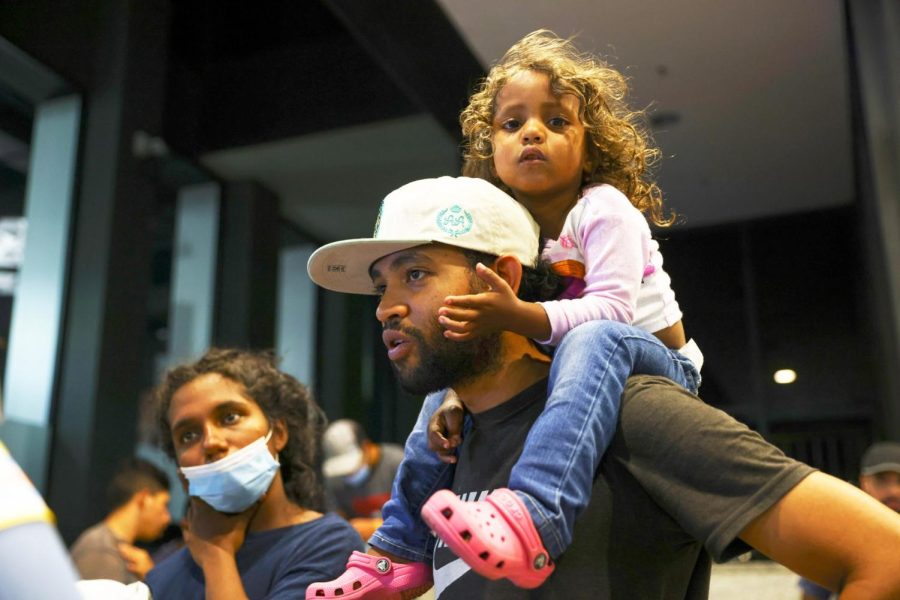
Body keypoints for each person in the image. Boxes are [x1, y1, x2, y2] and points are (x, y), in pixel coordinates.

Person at [306, 175, 900, 598]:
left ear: (505, 277)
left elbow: (884, 556)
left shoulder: (633, 410)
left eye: (415, 274)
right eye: (381, 285)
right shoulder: (445, 440)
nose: (385, 308)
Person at [311, 28, 704, 595]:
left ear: (593, 144)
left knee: (593, 339)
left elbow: (613, 314)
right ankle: (397, 550)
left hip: (651, 363)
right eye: (512, 123)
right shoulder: (516, 233)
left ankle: (536, 515)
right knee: (447, 378)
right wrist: (452, 397)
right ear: (490, 147)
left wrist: (515, 314)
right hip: (575, 359)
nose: (533, 134)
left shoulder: (605, 211)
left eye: (557, 121)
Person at [145, 348, 364, 599]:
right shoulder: (163, 578)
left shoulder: (329, 545)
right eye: (188, 435)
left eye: (230, 417)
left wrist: (217, 554)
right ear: (181, 471)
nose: (211, 442)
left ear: (279, 433)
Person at [798, 441, 900, 600]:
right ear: (864, 481)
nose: (893, 490)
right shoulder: (842, 533)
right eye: (882, 480)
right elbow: (812, 595)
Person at [69, 458, 172, 583]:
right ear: (144, 499)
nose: (167, 518)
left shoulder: (110, 548)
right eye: (164, 505)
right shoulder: (102, 552)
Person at [322, 419, 404, 541]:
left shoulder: (398, 463)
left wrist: (374, 527)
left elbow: (417, 519)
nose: (348, 474)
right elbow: (337, 520)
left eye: (351, 468)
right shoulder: (335, 479)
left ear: (366, 447)